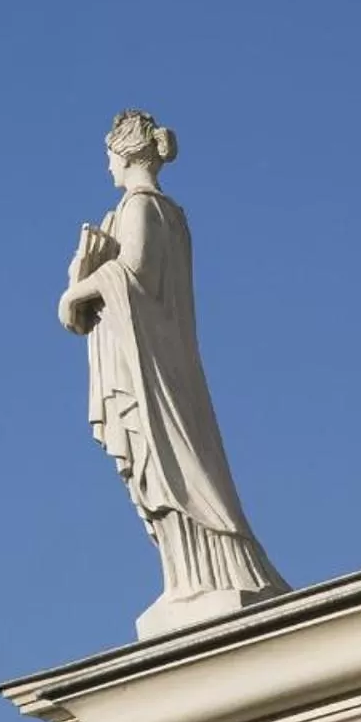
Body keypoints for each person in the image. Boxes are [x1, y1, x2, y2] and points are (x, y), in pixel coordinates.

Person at [58, 110, 284, 631]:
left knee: (167, 462)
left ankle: (204, 576)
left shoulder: (139, 208)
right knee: (158, 466)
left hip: (152, 365)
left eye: (109, 157)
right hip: (155, 356)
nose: (109, 168)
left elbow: (131, 274)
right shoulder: (170, 213)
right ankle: (187, 577)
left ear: (122, 153)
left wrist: (77, 287)